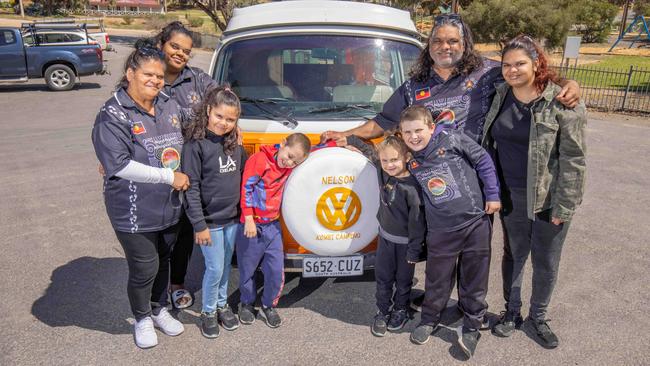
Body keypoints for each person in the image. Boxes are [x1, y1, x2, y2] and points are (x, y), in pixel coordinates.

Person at [481, 35, 587, 349]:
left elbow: (575, 158)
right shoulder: (499, 94)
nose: (512, 70)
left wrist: (565, 206)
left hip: (548, 198)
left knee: (546, 261)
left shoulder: (562, 100)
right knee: (513, 255)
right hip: (510, 195)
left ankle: (538, 317)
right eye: (507, 65)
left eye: (520, 63)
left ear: (536, 63)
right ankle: (512, 312)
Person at [91, 39, 189, 349]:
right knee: (145, 265)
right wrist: (168, 176)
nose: (155, 81)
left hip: (169, 205)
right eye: (148, 74)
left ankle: (159, 309)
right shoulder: (113, 115)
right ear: (131, 73)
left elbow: (191, 129)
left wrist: (229, 128)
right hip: (133, 209)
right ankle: (142, 316)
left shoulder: (167, 102)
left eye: (159, 76)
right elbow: (118, 165)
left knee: (163, 260)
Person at [400, 105, 500, 359]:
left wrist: (493, 194)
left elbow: (483, 160)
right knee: (437, 279)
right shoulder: (407, 157)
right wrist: (349, 141)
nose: (413, 137)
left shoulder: (452, 138)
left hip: (475, 221)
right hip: (441, 230)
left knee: (475, 278)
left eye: (418, 130)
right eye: (407, 132)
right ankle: (429, 319)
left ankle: (472, 325)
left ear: (431, 127)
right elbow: (379, 154)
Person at [154, 21, 219, 309]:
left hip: (190, 171)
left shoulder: (198, 80)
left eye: (187, 51)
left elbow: (223, 99)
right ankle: (154, 294)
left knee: (182, 233)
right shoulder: (147, 77)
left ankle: (176, 284)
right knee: (157, 234)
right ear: (161, 45)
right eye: (175, 47)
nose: (180, 54)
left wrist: (235, 123)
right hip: (155, 172)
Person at [343, 133, 425, 337]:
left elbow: (418, 224)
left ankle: (401, 310)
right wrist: (350, 139)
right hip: (385, 240)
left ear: (406, 158)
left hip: (406, 246)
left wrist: (414, 251)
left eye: (394, 160)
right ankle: (382, 311)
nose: (389, 165)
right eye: (385, 160)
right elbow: (369, 151)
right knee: (383, 278)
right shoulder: (382, 170)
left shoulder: (413, 189)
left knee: (403, 280)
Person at [181, 86, 247, 338]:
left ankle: (221, 305)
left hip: (232, 219)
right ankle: (208, 311)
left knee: (225, 267)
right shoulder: (195, 146)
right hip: (209, 222)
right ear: (209, 110)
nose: (224, 123)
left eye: (231, 119)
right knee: (215, 268)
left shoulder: (235, 143)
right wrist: (199, 225)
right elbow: (192, 188)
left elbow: (242, 176)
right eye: (219, 116)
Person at [236, 133, 312, 328]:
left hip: (273, 226)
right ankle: (246, 303)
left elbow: (317, 152)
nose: (288, 162)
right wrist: (249, 219)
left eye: (295, 161)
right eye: (289, 155)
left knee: (276, 269)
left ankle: (269, 304)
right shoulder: (259, 160)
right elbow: (246, 188)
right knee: (248, 268)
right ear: (283, 143)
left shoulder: (289, 165)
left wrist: (345, 143)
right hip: (252, 225)